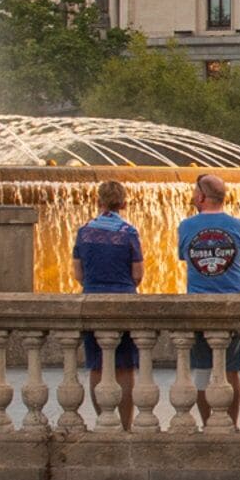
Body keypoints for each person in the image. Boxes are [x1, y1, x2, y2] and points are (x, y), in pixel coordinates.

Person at [72, 177, 145, 421]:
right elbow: (137, 274)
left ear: (98, 201)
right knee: (124, 366)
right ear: (123, 203)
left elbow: (78, 273)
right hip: (124, 302)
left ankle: (103, 419)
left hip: (92, 301)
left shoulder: (84, 232)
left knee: (97, 365)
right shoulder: (129, 233)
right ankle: (125, 424)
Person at [175, 174, 240, 392]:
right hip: (233, 302)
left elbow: (185, 258)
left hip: (198, 305)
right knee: (232, 371)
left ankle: (206, 423)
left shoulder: (186, 226)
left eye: (194, 192)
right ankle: (232, 424)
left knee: (202, 369)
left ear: (201, 197)